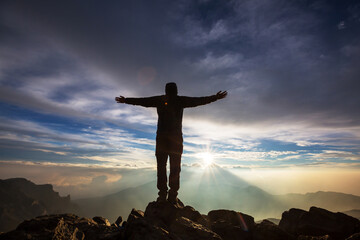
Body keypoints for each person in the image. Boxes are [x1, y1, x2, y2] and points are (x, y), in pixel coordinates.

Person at [115, 82, 227, 204]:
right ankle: (173, 195)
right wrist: (215, 97)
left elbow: (143, 101)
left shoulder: (159, 100)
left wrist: (126, 100)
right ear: (176, 91)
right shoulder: (181, 100)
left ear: (166, 90)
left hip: (162, 139)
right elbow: (199, 100)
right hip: (176, 140)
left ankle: (163, 195)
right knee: (175, 168)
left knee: (161, 168)